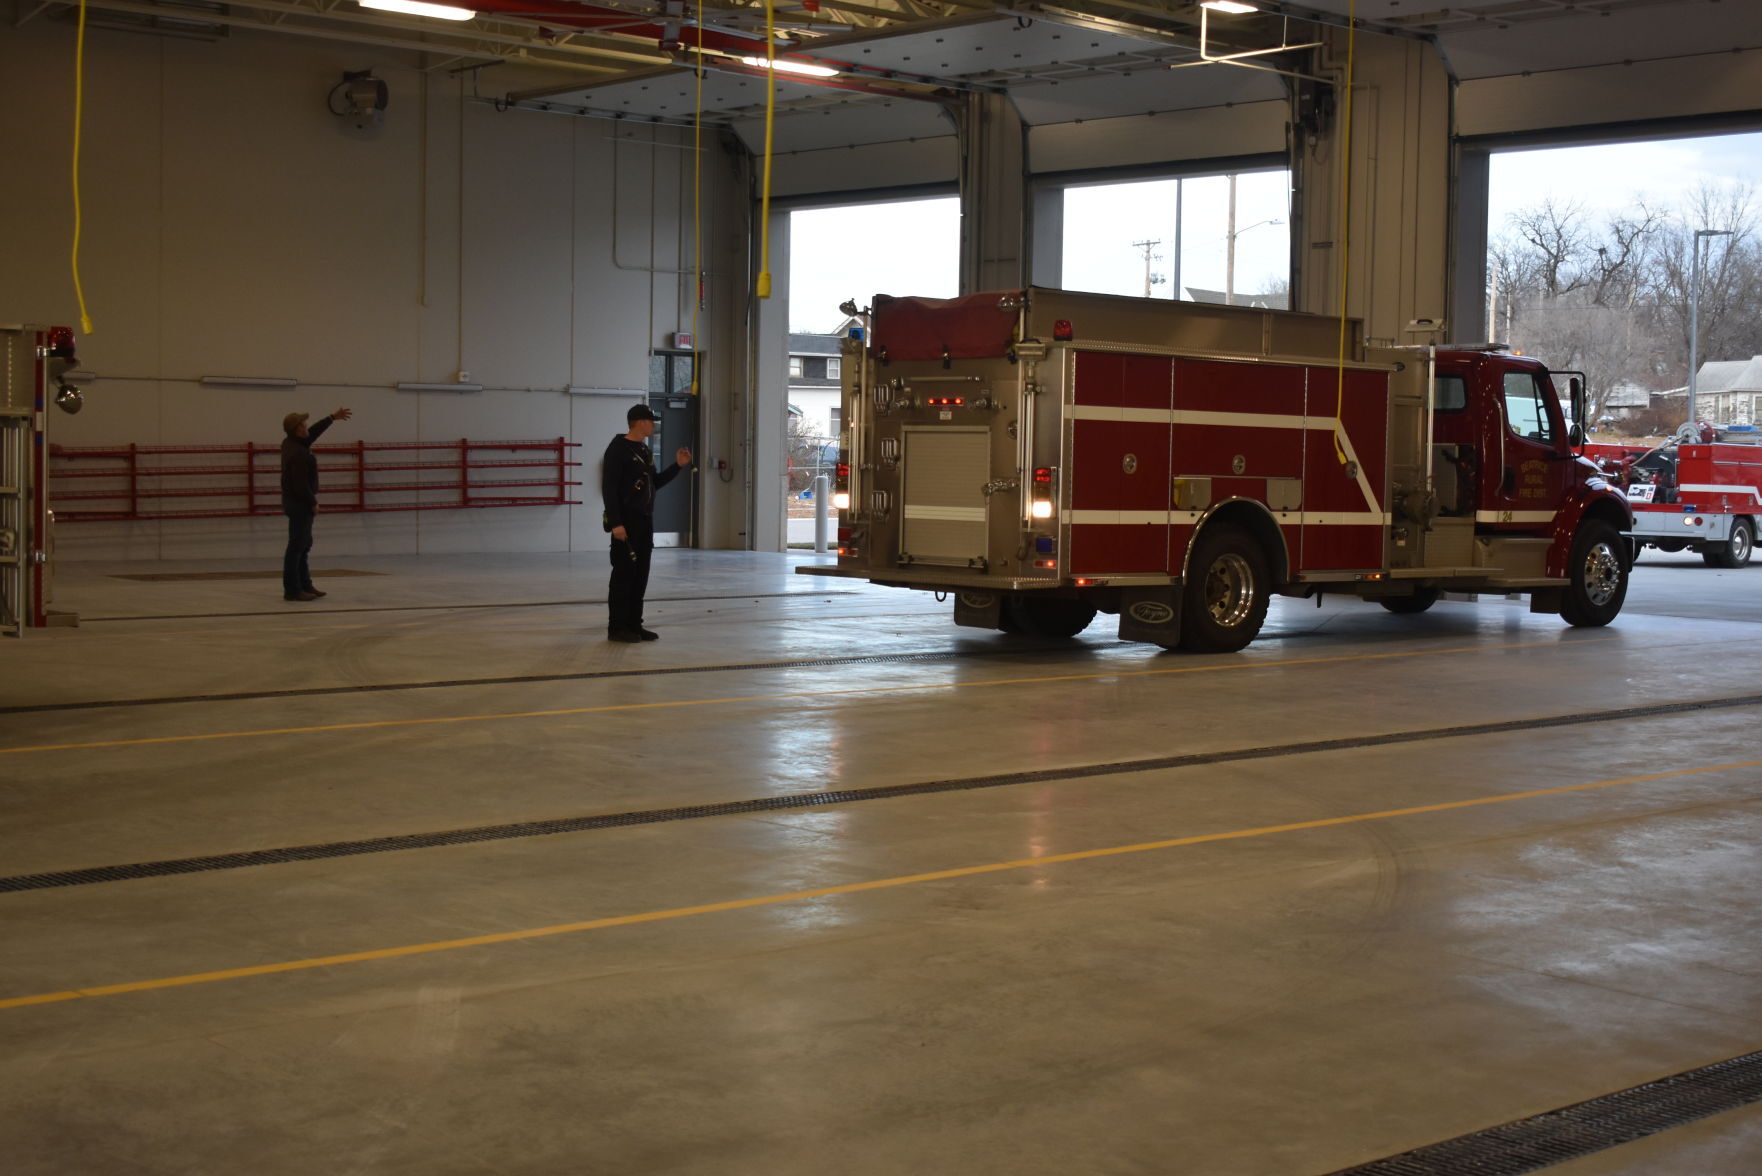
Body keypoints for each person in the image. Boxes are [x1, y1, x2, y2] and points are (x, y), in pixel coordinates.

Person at [602, 404, 691, 642]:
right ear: (639, 422)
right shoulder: (617, 449)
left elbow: (655, 482)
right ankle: (617, 628)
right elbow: (609, 489)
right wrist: (616, 523)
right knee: (623, 575)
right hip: (626, 523)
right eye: (651, 421)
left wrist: (677, 467)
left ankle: (634, 624)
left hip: (644, 521)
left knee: (641, 575)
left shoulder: (643, 450)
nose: (654, 425)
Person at [280, 407, 353, 602]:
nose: (307, 428)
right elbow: (300, 484)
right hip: (300, 504)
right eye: (303, 425)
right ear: (297, 429)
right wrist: (313, 503)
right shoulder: (298, 453)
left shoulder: (291, 443)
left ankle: (305, 585)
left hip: (295, 502)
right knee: (297, 547)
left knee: (303, 546)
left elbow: (313, 432)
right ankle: (293, 590)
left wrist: (331, 418)